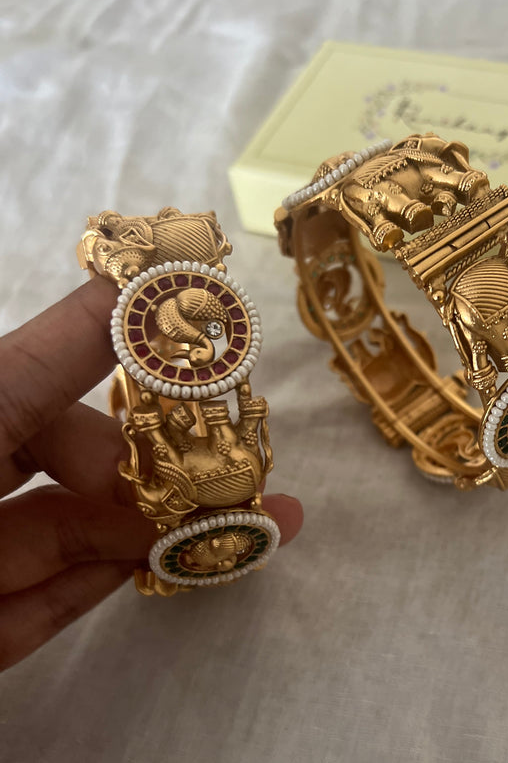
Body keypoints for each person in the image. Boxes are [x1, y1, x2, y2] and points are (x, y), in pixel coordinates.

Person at [0, 276, 304, 671]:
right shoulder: (202, 455)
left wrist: (240, 421)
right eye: (227, 557)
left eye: (221, 558)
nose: (225, 562)